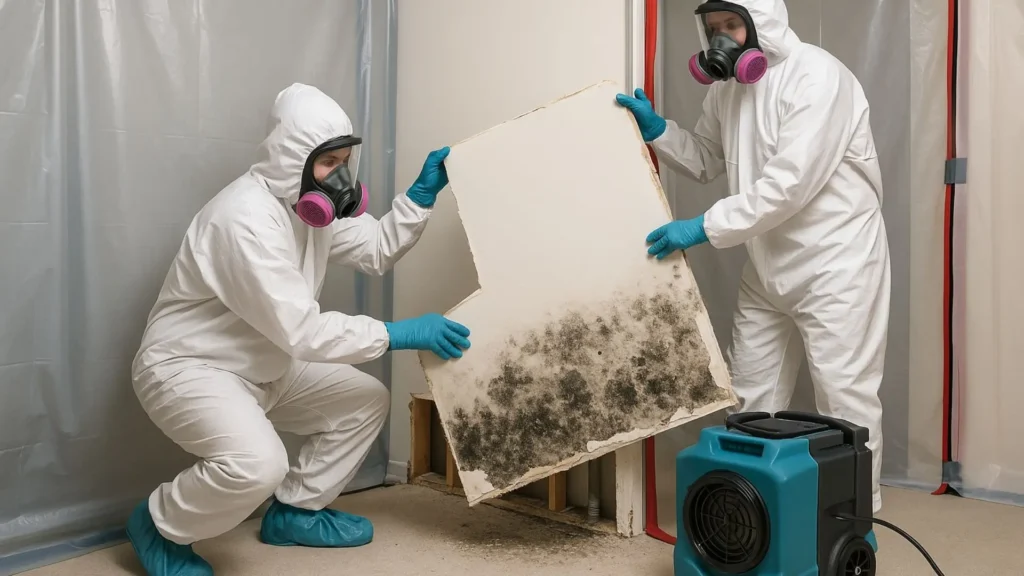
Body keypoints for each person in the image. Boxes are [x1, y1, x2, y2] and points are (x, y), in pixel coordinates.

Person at [127, 83, 471, 575]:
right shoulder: (243, 219)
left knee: (364, 400)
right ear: (294, 158)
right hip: (191, 368)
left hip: (266, 361)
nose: (342, 177)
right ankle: (158, 525)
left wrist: (418, 198)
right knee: (259, 465)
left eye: (345, 162)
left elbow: (374, 248)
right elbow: (303, 331)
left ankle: (294, 512)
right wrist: (399, 333)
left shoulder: (306, 208)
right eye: (330, 163)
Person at [617, 0, 889, 513]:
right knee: (749, 392)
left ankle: (856, 517)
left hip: (837, 264)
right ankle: (751, 507)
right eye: (713, 28)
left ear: (761, 24)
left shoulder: (818, 79)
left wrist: (702, 226)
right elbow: (705, 157)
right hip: (766, 266)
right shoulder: (728, 89)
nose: (721, 38)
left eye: (731, 25)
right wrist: (659, 131)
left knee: (845, 397)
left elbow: (788, 186)